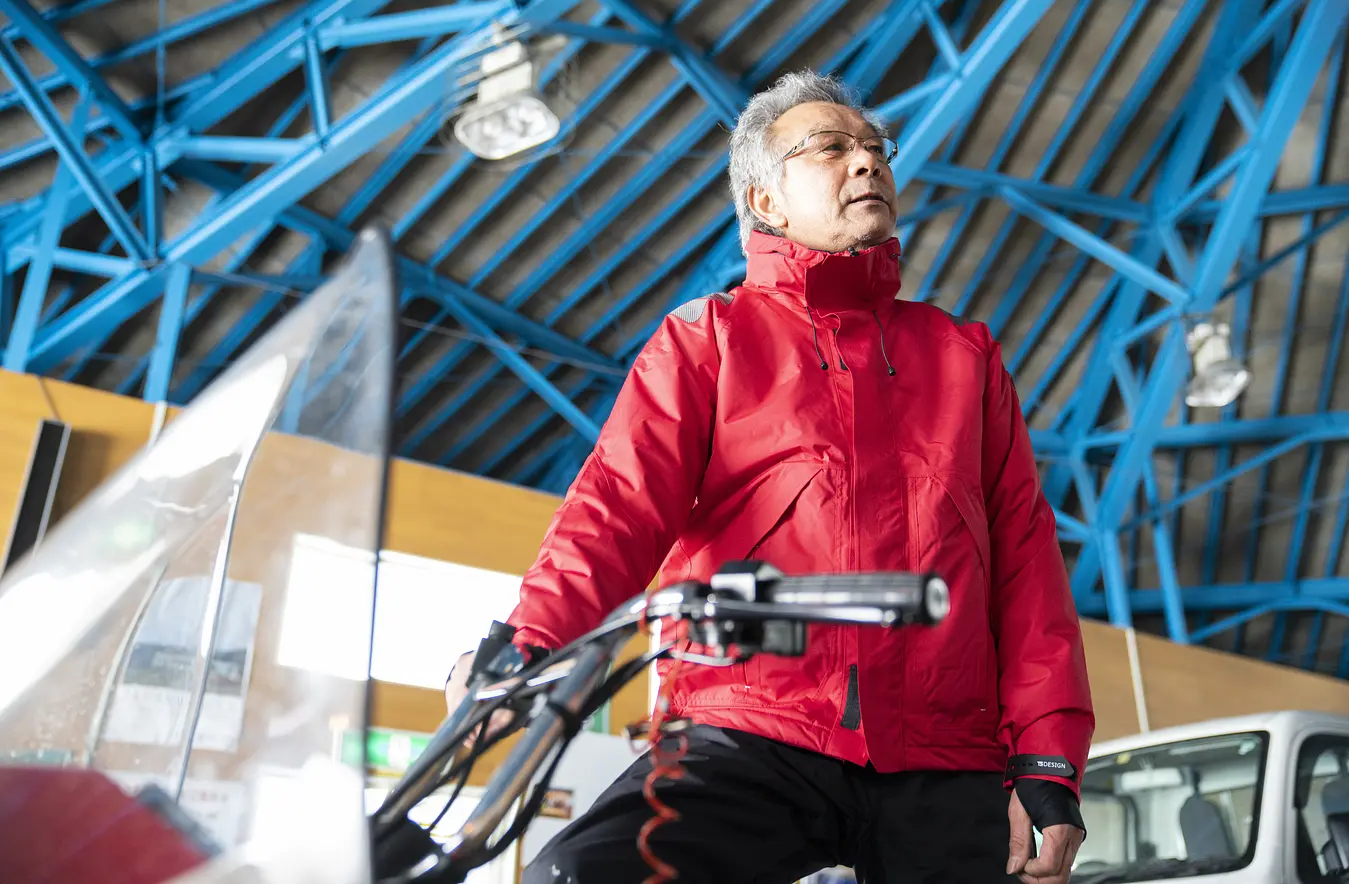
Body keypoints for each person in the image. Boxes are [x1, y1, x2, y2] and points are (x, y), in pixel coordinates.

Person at [444, 70, 1095, 883]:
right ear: (765, 201)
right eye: (829, 147)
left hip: (943, 749)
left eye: (874, 149)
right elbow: (615, 507)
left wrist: (1045, 761)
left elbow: (1026, 571)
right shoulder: (705, 340)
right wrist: (527, 644)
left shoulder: (965, 358)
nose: (866, 164)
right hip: (750, 724)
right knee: (572, 874)